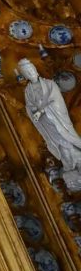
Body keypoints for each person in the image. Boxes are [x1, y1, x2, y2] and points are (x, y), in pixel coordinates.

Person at [20, 58, 81, 191]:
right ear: (25, 75)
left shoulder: (49, 84)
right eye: (27, 72)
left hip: (57, 119)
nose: (31, 73)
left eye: (31, 70)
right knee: (58, 145)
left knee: (65, 141)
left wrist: (41, 110)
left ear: (35, 70)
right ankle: (69, 164)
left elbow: (56, 101)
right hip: (45, 123)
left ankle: (75, 160)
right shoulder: (28, 90)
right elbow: (29, 106)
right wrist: (35, 112)